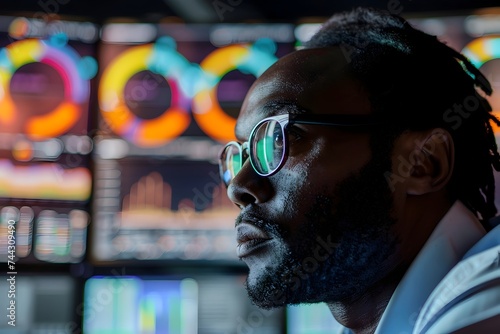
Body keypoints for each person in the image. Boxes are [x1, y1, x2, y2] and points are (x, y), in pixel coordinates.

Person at [218, 7, 500, 334]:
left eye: (279, 141)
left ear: (424, 163)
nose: (238, 187)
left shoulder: (484, 306)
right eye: (240, 155)